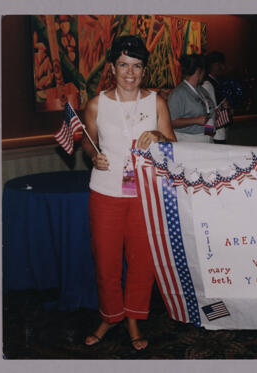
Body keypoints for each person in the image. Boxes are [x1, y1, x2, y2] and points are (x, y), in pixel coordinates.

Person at [81, 35, 176, 350]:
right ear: (112, 67)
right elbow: (87, 140)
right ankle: (110, 316)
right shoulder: (97, 104)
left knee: (142, 261)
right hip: (105, 194)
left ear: (144, 70)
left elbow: (174, 145)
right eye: (123, 65)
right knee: (106, 260)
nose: (130, 73)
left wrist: (160, 135)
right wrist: (93, 156)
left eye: (137, 66)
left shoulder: (156, 102)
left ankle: (134, 317)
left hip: (146, 195)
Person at [168, 53, 216, 143]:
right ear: (199, 71)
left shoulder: (202, 90)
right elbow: (171, 121)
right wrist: (194, 120)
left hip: (206, 138)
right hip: (189, 141)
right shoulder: (178, 93)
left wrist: (210, 133)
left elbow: (208, 115)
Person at [203, 51, 231, 144]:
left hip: (217, 131)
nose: (223, 67)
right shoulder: (208, 84)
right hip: (216, 133)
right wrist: (209, 134)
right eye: (220, 64)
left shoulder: (214, 82)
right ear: (213, 65)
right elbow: (210, 111)